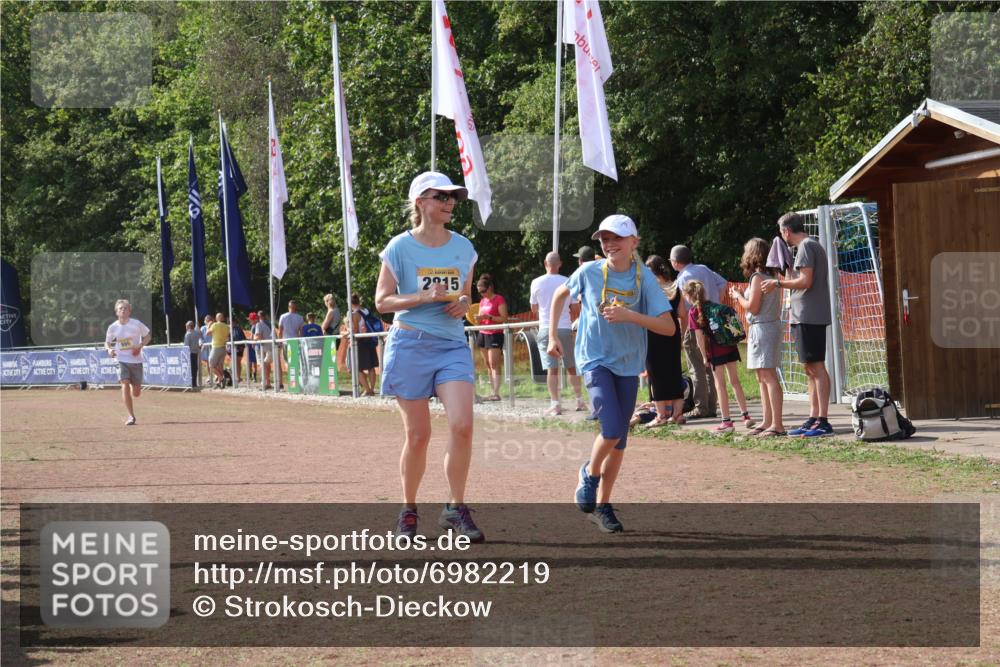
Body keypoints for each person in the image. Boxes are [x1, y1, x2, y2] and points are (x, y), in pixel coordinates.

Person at [548, 215, 675, 533]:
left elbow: (668, 327)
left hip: (629, 363)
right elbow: (559, 296)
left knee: (619, 440)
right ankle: (589, 474)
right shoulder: (590, 271)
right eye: (603, 239)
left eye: (616, 237)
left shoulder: (644, 278)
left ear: (635, 241)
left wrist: (630, 315)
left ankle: (603, 506)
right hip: (594, 359)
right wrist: (551, 335)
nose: (609, 244)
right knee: (613, 426)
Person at [374, 171, 483, 542]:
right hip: (409, 343)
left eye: (453, 197)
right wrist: (423, 296)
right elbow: (382, 302)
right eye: (441, 196)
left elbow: (468, 296)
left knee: (462, 426)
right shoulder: (399, 247)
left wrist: (463, 304)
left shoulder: (464, 248)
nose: (450, 202)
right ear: (421, 202)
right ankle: (408, 510)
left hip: (451, 344)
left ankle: (455, 507)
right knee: (418, 435)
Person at [761, 212, 833, 437]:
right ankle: (814, 417)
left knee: (817, 367)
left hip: (809, 315)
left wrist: (777, 283)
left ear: (786, 231)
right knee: (809, 368)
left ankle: (823, 420)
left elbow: (806, 281)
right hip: (805, 315)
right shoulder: (810, 246)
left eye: (781, 233)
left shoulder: (806, 247)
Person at [729, 238, 785, 437]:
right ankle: (767, 421)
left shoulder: (757, 277)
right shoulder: (771, 274)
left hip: (763, 328)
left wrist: (738, 297)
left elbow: (752, 307)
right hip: (766, 327)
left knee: (768, 376)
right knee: (762, 377)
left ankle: (777, 425)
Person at [683, 280, 754, 434]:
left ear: (689, 295)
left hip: (715, 352)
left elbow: (699, 338)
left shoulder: (694, 312)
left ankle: (726, 421)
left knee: (720, 385)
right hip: (729, 347)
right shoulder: (713, 306)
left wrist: (704, 357)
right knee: (735, 381)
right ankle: (746, 416)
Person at [670, 244, 727, 420]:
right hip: (713, 321)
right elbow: (723, 283)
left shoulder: (682, 278)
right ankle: (711, 405)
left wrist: (684, 333)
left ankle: (701, 406)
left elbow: (683, 311)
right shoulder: (703, 269)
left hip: (695, 324)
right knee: (709, 363)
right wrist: (716, 304)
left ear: (675, 262)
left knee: (697, 367)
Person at [530, 252, 585, 416]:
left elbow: (534, 309)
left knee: (551, 370)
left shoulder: (536, 282)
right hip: (565, 327)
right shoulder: (567, 281)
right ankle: (579, 400)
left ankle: (555, 404)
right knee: (571, 367)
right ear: (559, 263)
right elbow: (575, 307)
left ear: (545, 263)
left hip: (546, 327)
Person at [642, 255, 685, 428]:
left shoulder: (651, 289)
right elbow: (682, 314)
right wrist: (682, 335)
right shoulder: (675, 287)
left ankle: (661, 415)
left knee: (656, 373)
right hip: (673, 333)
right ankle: (677, 413)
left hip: (654, 331)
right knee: (674, 372)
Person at [105, 299, 151, 425]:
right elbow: (107, 342)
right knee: (124, 384)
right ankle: (131, 416)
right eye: (120, 308)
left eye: (125, 308)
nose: (123, 310)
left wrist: (140, 346)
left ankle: (133, 386)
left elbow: (148, 336)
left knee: (136, 393)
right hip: (121, 359)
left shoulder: (136, 324)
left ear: (130, 311)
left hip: (136, 360)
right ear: (116, 312)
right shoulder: (113, 327)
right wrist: (109, 349)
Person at [475, 273, 507, 402]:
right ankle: (492, 391)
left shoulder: (499, 299)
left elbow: (504, 318)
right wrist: (478, 319)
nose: (482, 294)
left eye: (483, 291)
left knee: (494, 364)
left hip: (495, 334)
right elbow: (479, 318)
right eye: (479, 292)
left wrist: (489, 317)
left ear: (489, 288)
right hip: (483, 333)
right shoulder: (483, 301)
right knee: (487, 364)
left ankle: (496, 392)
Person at [350, 293, 380, 397]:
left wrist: (345, 333)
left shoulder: (354, 314)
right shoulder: (366, 311)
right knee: (371, 367)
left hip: (360, 342)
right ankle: (372, 389)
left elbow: (355, 330)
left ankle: (367, 390)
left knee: (358, 368)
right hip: (370, 340)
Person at [252, 310, 275, 390]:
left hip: (262, 347)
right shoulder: (270, 324)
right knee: (267, 365)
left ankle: (264, 383)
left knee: (262, 365)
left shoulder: (259, 324)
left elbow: (258, 336)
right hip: (270, 348)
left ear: (259, 317)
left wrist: (254, 340)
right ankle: (268, 382)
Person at [208, 312, 230, 388]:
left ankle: (221, 377)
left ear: (217, 318)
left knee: (211, 365)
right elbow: (227, 336)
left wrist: (209, 325)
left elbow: (207, 333)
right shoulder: (227, 327)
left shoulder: (214, 325)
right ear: (223, 318)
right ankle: (220, 383)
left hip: (216, 347)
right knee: (220, 365)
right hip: (223, 347)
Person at [183, 320, 200, 388]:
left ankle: (190, 383)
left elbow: (186, 345)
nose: (186, 328)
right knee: (195, 368)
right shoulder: (197, 333)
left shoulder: (188, 334)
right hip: (196, 352)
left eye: (186, 326)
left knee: (190, 368)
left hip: (189, 353)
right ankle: (194, 383)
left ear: (189, 326)